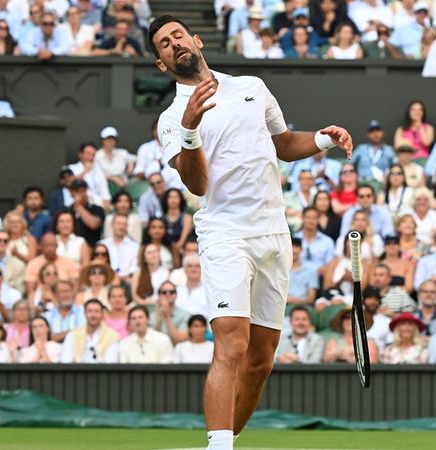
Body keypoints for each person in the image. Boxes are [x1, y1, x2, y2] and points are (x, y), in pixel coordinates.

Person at [149, 14, 354, 449]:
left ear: (196, 40)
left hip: (274, 234)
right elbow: (197, 185)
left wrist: (322, 139)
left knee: (261, 361)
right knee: (232, 344)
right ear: (161, 64)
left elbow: (280, 142)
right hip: (225, 234)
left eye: (178, 35)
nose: (174, 44)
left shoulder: (252, 87)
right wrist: (189, 129)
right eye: (164, 44)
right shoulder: (171, 119)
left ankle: (228, 441)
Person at [60, 298, 119, 363]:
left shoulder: (112, 336)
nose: (93, 315)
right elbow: (66, 361)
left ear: (102, 314)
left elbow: (111, 363)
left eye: (96, 311)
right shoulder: (72, 335)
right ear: (84, 313)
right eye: (90, 311)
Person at [25, 233, 80, 298]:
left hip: (65, 299)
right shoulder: (33, 264)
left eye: (52, 245)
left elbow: (75, 285)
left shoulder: (68, 262)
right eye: (47, 245)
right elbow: (31, 291)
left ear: (57, 246)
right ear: (41, 247)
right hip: (41, 300)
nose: (50, 248)